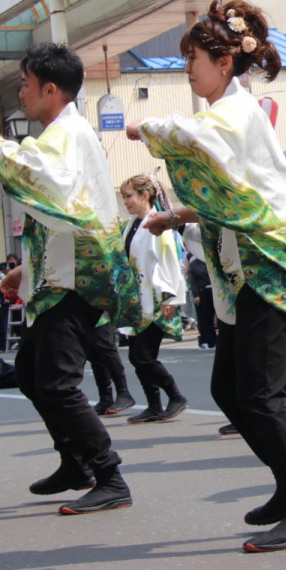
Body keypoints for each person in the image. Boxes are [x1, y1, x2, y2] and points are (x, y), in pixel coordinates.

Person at [129, 0, 286, 553]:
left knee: (260, 395)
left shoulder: (235, 113)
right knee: (228, 390)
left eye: (193, 58)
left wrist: (144, 126)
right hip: (246, 271)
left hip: (272, 266)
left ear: (223, 61)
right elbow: (233, 197)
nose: (187, 69)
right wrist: (177, 215)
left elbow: (195, 137)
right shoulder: (230, 113)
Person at [0, 42, 141, 515]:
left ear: (50, 89)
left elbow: (42, 179)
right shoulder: (64, 133)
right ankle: (75, 461)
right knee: (32, 374)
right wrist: (26, 269)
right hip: (60, 274)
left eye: (25, 85)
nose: (21, 93)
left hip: (75, 279)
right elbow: (64, 212)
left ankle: (109, 475)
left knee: (57, 383)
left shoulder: (66, 134)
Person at [118, 174, 190, 424]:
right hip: (137, 300)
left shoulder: (158, 222)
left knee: (144, 356)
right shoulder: (131, 224)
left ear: (145, 195)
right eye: (123, 197)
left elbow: (170, 258)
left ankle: (176, 396)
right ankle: (154, 405)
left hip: (156, 298)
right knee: (135, 356)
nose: (125, 201)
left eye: (129, 196)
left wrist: (170, 297)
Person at [188, 254, 217, 349]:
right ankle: (205, 340)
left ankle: (214, 339)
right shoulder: (193, 264)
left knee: (214, 317)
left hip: (213, 292)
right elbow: (192, 281)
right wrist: (196, 295)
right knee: (204, 317)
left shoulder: (211, 262)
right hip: (201, 293)